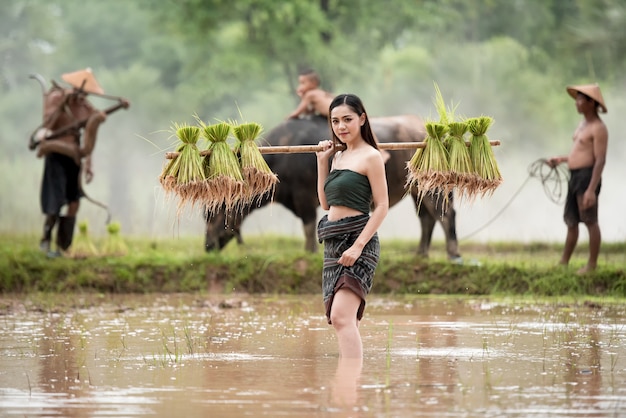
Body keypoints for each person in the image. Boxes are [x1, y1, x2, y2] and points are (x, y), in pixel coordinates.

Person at [316, 93, 389, 359]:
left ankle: (349, 384)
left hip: (359, 241)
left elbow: (382, 206)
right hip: (333, 243)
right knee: (347, 320)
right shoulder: (338, 157)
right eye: (335, 121)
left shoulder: (371, 157)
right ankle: (351, 393)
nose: (341, 127)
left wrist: (358, 247)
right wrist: (321, 162)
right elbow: (325, 203)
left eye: (347, 119)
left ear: (362, 119)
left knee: (341, 318)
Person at [36, 68, 108, 257]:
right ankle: (46, 239)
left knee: (74, 201)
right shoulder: (57, 99)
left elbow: (89, 137)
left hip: (75, 157)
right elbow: (47, 126)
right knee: (56, 200)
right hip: (56, 154)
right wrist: (62, 106)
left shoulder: (86, 107)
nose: (83, 95)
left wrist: (89, 165)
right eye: (81, 91)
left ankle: (63, 246)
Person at [548, 83, 608, 274]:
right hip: (574, 176)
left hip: (587, 177)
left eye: (581, 100)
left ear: (592, 102)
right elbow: (580, 153)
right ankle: (564, 262)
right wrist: (562, 159)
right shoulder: (583, 124)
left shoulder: (598, 128)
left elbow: (599, 160)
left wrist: (591, 189)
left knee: (590, 220)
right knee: (571, 220)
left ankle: (591, 265)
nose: (577, 103)